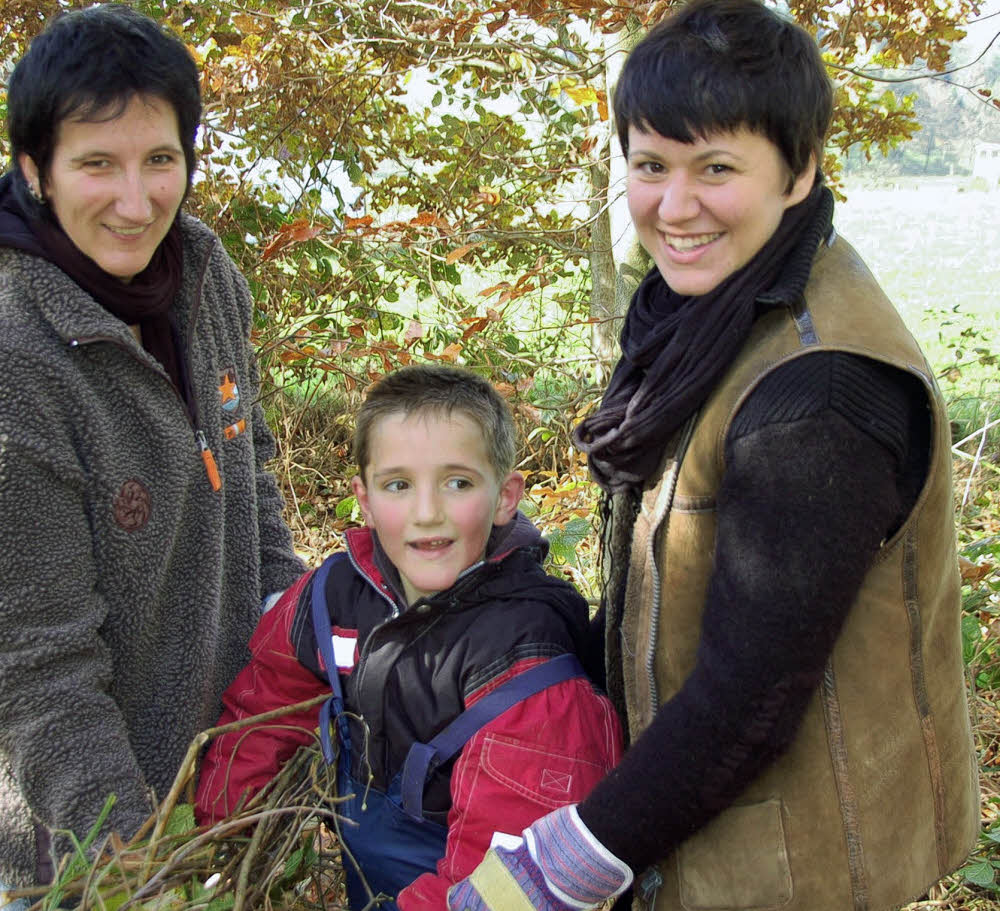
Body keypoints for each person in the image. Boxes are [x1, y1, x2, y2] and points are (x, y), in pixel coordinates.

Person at [448, 1, 980, 910]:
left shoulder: (817, 396)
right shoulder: (707, 312)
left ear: (801, 169)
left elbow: (747, 702)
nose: (674, 206)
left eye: (717, 168)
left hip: (792, 869)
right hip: (698, 827)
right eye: (650, 166)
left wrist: (551, 872)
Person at [0, 5, 305, 906]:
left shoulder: (205, 277)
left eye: (160, 160)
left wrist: (299, 650)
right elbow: (33, 664)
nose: (136, 200)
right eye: (96, 164)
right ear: (33, 171)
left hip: (234, 793)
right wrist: (135, 869)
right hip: (86, 850)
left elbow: (253, 483)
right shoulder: (2, 355)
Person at [195, 364, 624, 910]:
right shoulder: (329, 602)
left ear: (506, 497)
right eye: (399, 485)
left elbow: (502, 885)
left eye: (458, 483)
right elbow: (258, 718)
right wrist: (217, 854)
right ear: (365, 498)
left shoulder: (528, 665)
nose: (427, 513)